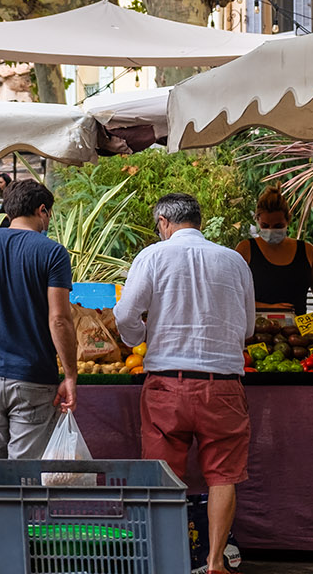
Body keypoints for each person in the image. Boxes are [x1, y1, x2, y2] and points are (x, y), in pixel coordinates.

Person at [114, 193, 255, 574]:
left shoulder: (153, 256)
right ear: (199, 219)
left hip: (167, 386)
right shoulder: (233, 260)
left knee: (164, 477)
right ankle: (214, 564)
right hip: (223, 385)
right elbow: (248, 328)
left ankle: (166, 560)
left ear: (163, 221)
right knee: (223, 476)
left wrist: (138, 336)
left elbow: (125, 314)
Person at [0, 180, 77, 574]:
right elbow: (59, 318)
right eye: (49, 213)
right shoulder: (52, 253)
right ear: (42, 210)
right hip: (35, 378)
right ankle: (16, 553)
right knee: (24, 471)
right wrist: (70, 373)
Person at [235, 186, 313, 317]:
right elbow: (233, 297)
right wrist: (270, 308)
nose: (271, 231)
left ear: (288, 220)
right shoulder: (246, 250)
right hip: (257, 332)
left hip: (299, 333)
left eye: (278, 226)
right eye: (265, 226)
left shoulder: (307, 251)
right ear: (257, 221)